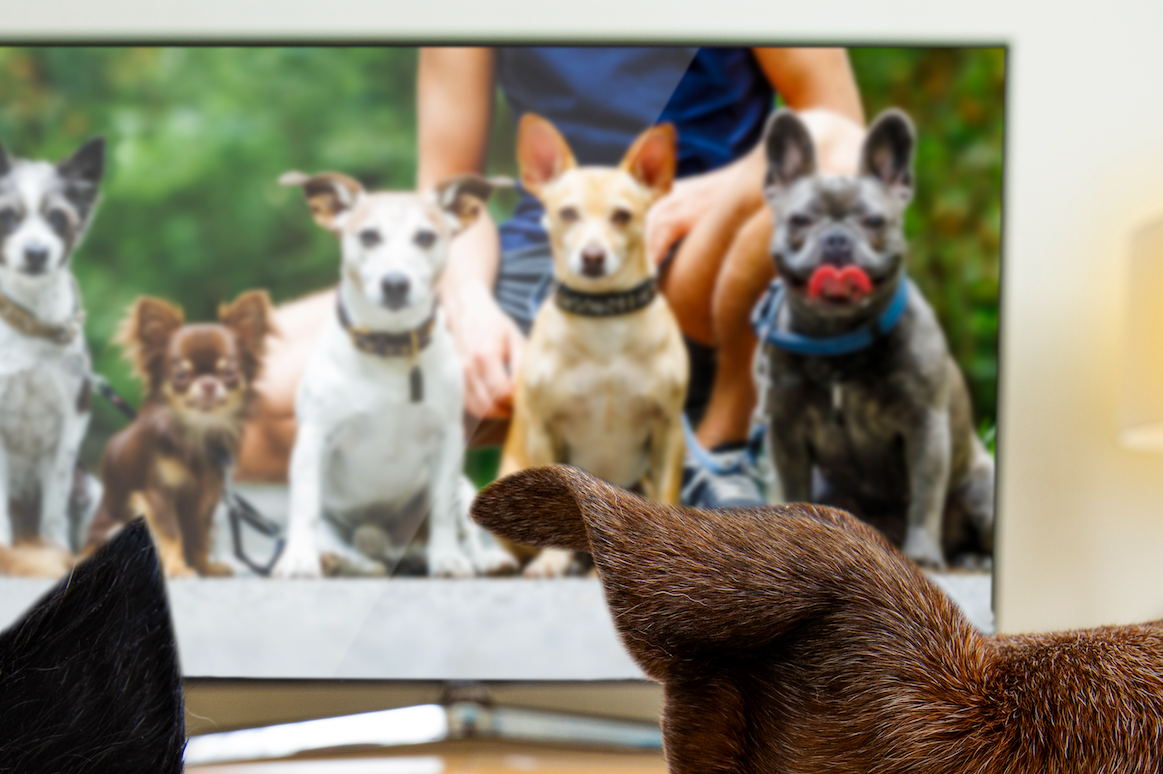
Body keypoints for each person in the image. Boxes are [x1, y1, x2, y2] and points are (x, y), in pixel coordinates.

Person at [240, 46, 865, 508]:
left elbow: (845, 133)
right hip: (544, 259)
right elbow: (450, 187)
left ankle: (723, 448)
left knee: (828, 144)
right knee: (248, 403)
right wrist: (469, 305)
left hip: (697, 256)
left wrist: (685, 204)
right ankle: (543, 468)